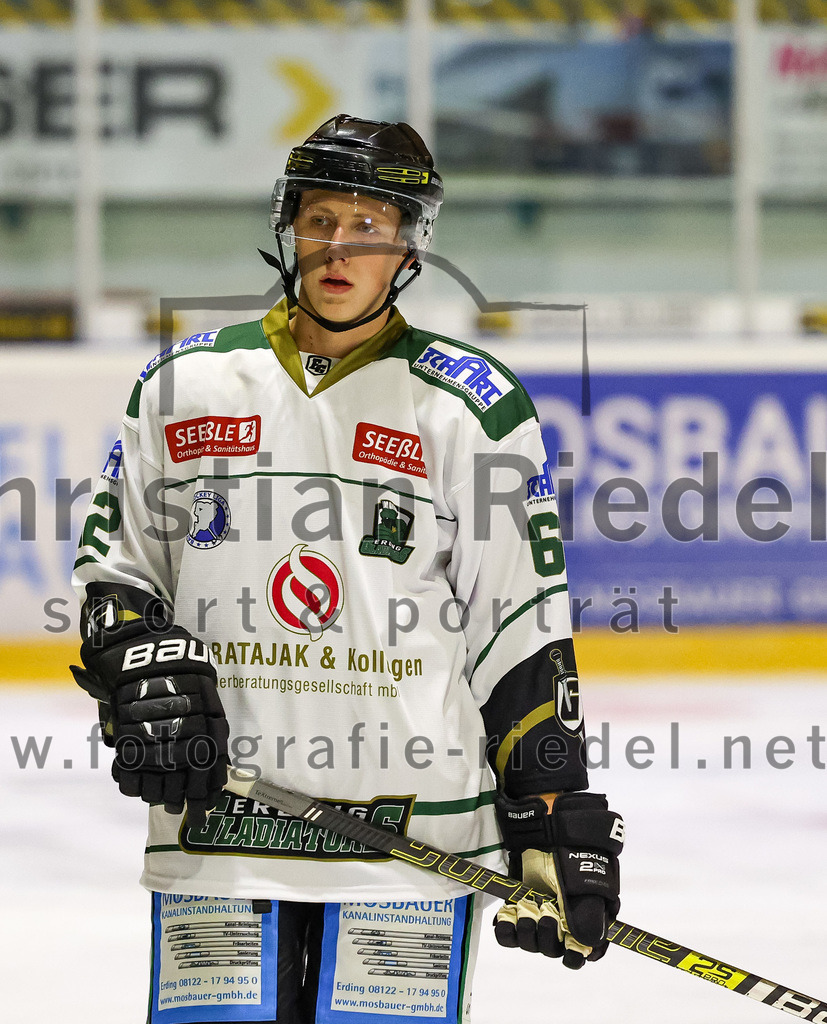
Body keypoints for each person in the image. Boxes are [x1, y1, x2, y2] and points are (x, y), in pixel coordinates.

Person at [71, 114, 623, 1024]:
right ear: (287, 225)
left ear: (409, 246)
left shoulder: (464, 407)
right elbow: (118, 576)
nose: (340, 246)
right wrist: (135, 672)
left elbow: (518, 627)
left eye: (370, 225)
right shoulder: (183, 386)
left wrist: (551, 805)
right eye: (321, 218)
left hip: (408, 837)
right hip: (221, 828)